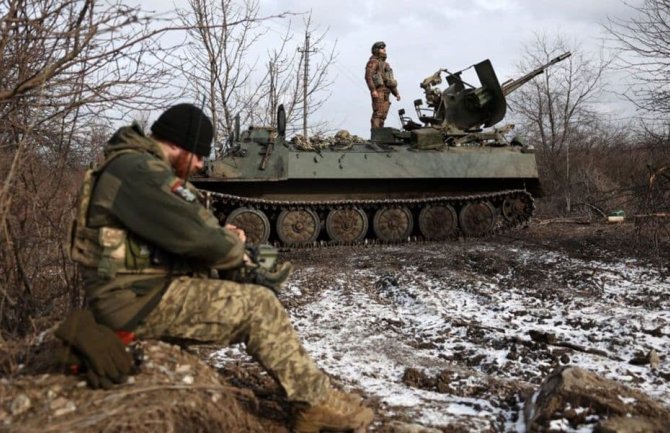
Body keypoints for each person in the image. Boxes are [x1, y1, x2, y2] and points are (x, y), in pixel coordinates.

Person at [64, 103, 374, 432]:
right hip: (135, 302)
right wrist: (238, 255)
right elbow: (194, 236)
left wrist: (220, 237)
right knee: (260, 306)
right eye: (197, 155)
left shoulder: (132, 166)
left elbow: (178, 230)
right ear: (177, 144)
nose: (199, 164)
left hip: (137, 291)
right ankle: (315, 405)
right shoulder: (139, 170)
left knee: (244, 290)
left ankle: (313, 395)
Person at [365, 41, 401, 128]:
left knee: (383, 115)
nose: (384, 49)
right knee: (378, 113)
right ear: (376, 50)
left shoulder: (386, 64)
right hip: (379, 91)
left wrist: (396, 93)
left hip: (386, 92)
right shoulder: (373, 62)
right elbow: (368, 76)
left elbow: (390, 81)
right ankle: (376, 135)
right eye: (382, 48)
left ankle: (381, 135)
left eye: (384, 48)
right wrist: (373, 90)